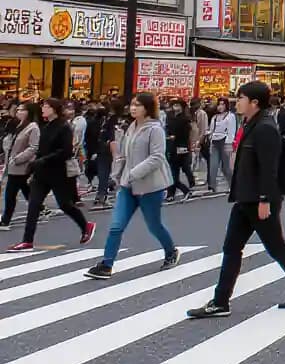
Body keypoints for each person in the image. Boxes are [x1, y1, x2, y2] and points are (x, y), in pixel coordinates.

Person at [186, 81, 285, 318]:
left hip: (259, 199)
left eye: (241, 98)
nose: (237, 102)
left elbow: (269, 167)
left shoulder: (265, 127)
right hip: (246, 198)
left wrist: (266, 199)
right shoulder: (253, 123)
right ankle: (221, 301)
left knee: (274, 246)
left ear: (254, 102)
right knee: (232, 247)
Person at [85, 93, 180, 279]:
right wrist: (116, 174)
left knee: (154, 225)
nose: (133, 108)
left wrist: (134, 173)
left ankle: (171, 251)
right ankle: (106, 264)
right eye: (132, 104)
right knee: (116, 225)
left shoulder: (155, 129)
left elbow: (157, 157)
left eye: (138, 105)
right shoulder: (131, 127)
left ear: (148, 108)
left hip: (150, 186)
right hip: (127, 186)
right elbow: (122, 154)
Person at [7, 99, 96, 252]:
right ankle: (27, 241)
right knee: (33, 205)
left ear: (54, 109)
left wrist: (43, 160)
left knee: (65, 204)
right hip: (41, 173)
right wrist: (34, 166)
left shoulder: (64, 127)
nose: (43, 109)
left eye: (46, 107)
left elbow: (66, 151)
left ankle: (86, 225)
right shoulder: (44, 125)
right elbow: (40, 149)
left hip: (58, 172)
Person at [0, 104, 39, 230]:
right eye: (18, 109)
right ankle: (39, 209)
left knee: (10, 193)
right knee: (26, 191)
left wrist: (18, 158)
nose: (18, 111)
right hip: (13, 165)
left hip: (22, 165)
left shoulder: (33, 127)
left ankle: (6, 220)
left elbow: (33, 147)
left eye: (22, 110)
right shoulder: (18, 125)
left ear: (29, 112)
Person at [206, 100, 237, 193]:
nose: (220, 106)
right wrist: (210, 139)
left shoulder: (230, 116)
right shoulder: (215, 117)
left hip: (225, 141)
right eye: (219, 104)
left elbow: (231, 131)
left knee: (226, 167)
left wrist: (229, 144)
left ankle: (232, 185)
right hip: (215, 141)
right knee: (213, 165)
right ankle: (212, 186)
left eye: (223, 104)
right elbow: (211, 130)